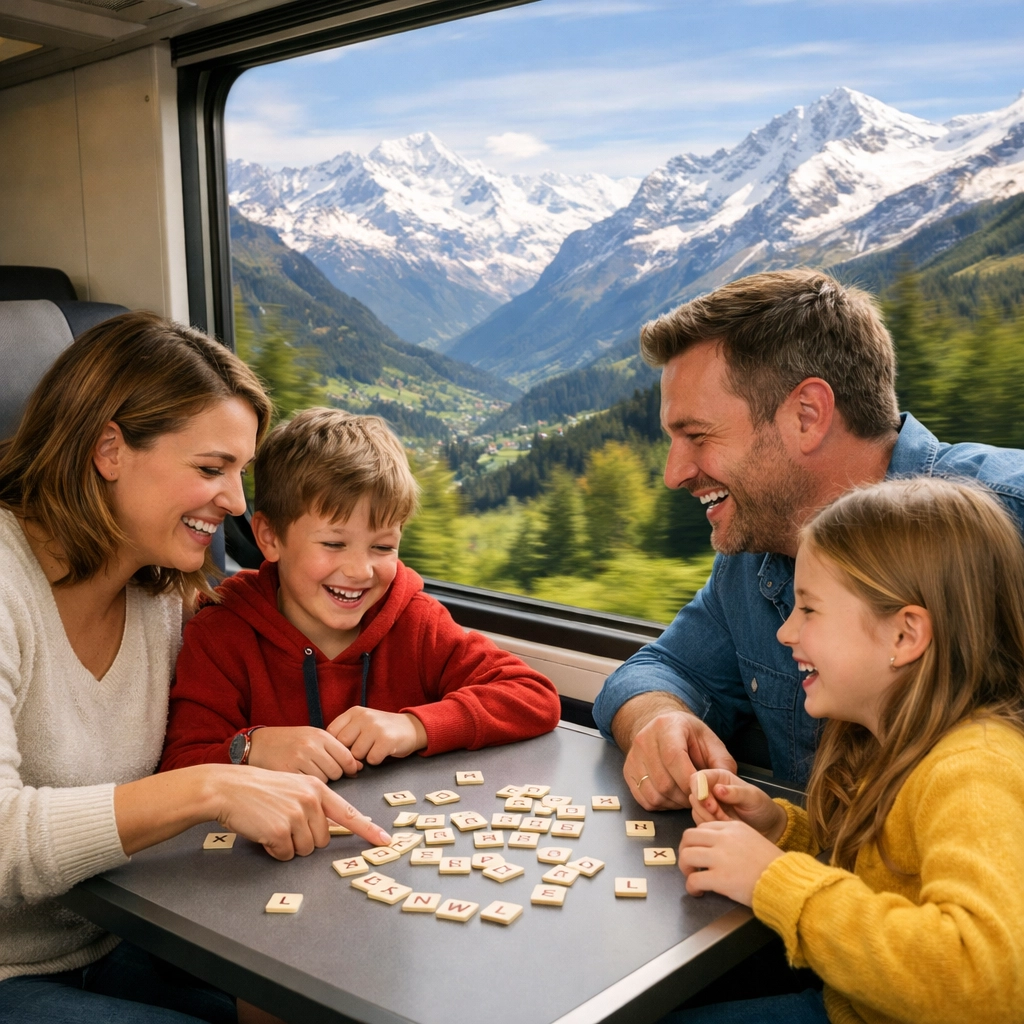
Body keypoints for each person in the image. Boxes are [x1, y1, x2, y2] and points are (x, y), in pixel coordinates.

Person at [0, 313, 388, 1024]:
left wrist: (246, 747)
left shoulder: (164, 594)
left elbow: (210, 731)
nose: (238, 503)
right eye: (212, 470)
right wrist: (210, 784)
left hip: (122, 937)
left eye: (241, 473)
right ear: (108, 448)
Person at [592, 269, 1024, 805]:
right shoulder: (760, 552)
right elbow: (661, 669)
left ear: (808, 415)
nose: (674, 473)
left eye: (697, 436)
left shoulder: (1009, 522)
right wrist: (658, 721)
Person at [666, 477, 1024, 1024]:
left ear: (905, 637)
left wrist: (774, 880)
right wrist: (783, 835)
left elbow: (984, 980)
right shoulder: (898, 743)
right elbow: (888, 882)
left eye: (809, 610)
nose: (785, 632)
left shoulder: (974, 773)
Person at [159, 408, 561, 777]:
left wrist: (414, 726)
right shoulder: (220, 636)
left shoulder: (415, 623)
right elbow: (181, 765)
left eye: (383, 547)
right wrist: (251, 749)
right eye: (334, 544)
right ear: (270, 537)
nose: (360, 571)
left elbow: (534, 696)